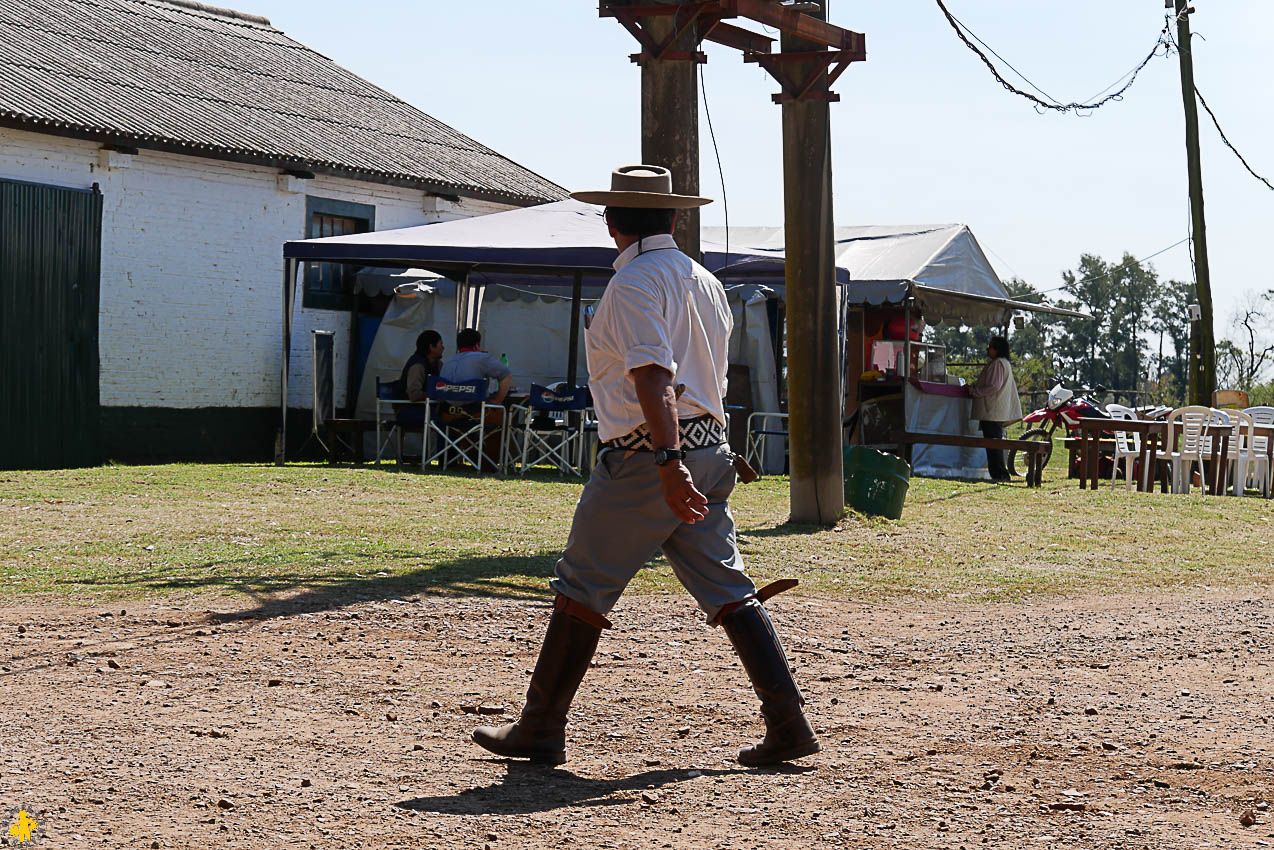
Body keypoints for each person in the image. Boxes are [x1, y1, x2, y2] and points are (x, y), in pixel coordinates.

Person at [472, 164, 819, 767]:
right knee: (729, 589)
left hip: (649, 457)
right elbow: (705, 374)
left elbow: (654, 376)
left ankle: (541, 726)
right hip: (710, 450)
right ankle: (787, 725)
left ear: (611, 221)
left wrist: (667, 460)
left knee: (582, 586)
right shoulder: (703, 280)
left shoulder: (633, 284)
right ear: (676, 217)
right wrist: (693, 456)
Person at [967, 335, 1023, 482]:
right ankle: (998, 474)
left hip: (992, 411)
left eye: (991, 347)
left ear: (997, 349)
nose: (988, 349)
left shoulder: (998, 363)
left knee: (993, 445)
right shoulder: (1003, 363)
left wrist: (975, 391)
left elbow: (993, 386)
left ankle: (1000, 474)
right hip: (993, 411)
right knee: (993, 445)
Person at [400, 330, 444, 403]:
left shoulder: (438, 364)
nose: (443, 348)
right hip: (411, 408)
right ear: (432, 347)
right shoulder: (417, 366)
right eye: (441, 344)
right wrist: (436, 395)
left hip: (429, 407)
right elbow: (414, 395)